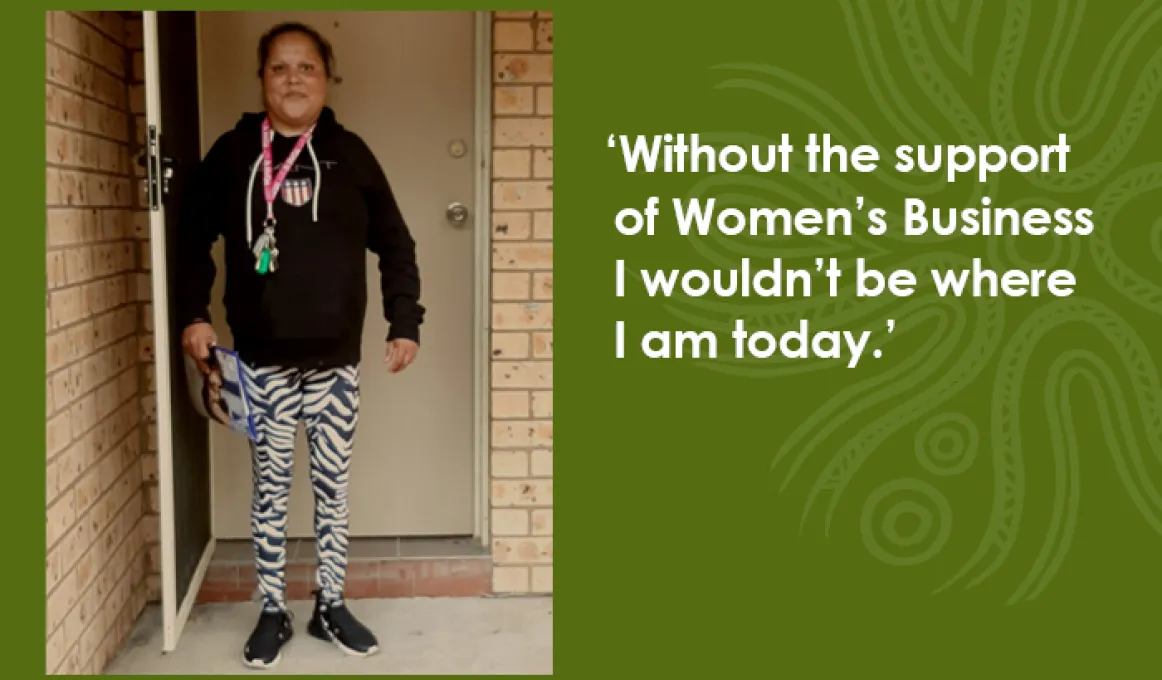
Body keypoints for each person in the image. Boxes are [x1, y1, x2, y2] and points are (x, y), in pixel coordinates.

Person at [174, 21, 424, 669]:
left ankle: (330, 606)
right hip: (260, 363)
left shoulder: (351, 155)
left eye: (306, 67)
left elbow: (395, 244)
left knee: (333, 486)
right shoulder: (232, 154)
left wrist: (405, 321)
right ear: (262, 79)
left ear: (326, 77)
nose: (292, 78)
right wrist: (193, 315)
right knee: (271, 490)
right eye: (279, 67)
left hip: (336, 363)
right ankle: (272, 611)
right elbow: (189, 240)